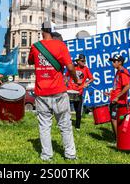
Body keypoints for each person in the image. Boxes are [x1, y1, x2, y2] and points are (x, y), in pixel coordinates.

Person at [28, 22, 81, 161]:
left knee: (44, 125)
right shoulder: (61, 45)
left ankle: (46, 155)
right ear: (53, 31)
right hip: (58, 91)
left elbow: (30, 61)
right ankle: (70, 154)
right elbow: (70, 67)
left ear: (42, 31)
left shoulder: (35, 47)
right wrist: (76, 79)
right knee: (65, 124)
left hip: (41, 92)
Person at [105, 55, 130, 138]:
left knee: (114, 119)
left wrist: (117, 97)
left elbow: (127, 86)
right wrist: (110, 94)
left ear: (120, 62)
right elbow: (118, 87)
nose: (112, 63)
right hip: (115, 100)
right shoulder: (118, 71)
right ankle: (117, 138)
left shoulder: (123, 72)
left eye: (114, 61)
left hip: (119, 102)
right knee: (113, 119)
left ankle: (118, 139)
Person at [66, 54, 93, 131]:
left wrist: (86, 83)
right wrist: (65, 83)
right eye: (82, 61)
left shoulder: (86, 69)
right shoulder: (72, 67)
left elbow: (91, 78)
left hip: (79, 92)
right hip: (70, 91)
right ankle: (65, 124)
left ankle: (77, 126)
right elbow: (66, 76)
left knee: (78, 110)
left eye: (84, 60)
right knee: (65, 109)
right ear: (78, 61)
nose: (84, 62)